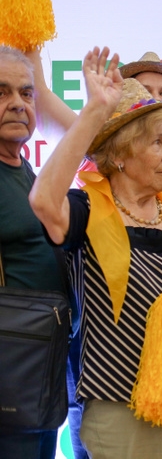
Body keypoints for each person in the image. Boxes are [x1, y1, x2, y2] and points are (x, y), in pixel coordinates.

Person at [28, 47, 162, 459]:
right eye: (157, 142)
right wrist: (95, 112)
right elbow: (44, 200)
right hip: (119, 401)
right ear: (119, 153)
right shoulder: (87, 210)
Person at [0, 46, 68, 459]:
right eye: (1, 92)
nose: (17, 104)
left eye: (26, 93)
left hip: (40, 374)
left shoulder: (26, 170)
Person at [28, 49, 162, 200]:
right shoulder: (98, 152)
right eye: (145, 91)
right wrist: (30, 37)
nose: (156, 99)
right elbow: (39, 94)